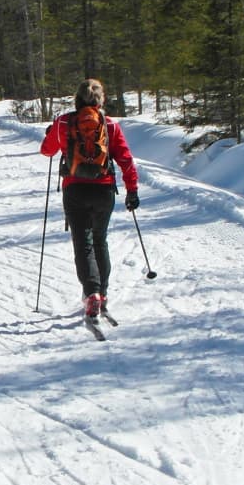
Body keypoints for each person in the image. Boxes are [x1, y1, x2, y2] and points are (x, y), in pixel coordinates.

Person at [40, 78, 139, 322]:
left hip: (74, 190)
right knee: (99, 241)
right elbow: (125, 159)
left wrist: (52, 133)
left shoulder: (64, 121)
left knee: (82, 244)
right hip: (103, 190)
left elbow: (47, 150)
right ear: (100, 99)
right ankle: (102, 294)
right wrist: (132, 190)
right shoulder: (110, 125)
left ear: (77, 98)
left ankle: (91, 292)